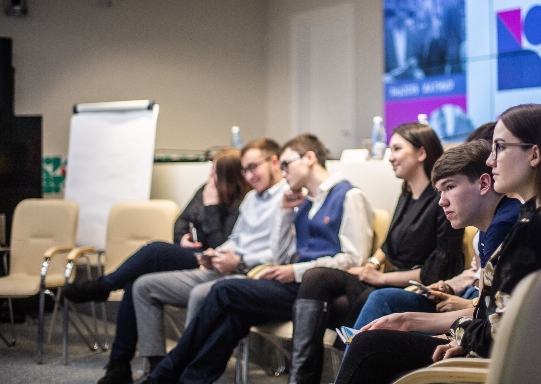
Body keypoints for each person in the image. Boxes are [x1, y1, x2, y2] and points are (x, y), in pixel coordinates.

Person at [334, 104, 541, 384]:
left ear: (534, 154)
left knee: (370, 346)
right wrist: (421, 324)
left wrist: (459, 335)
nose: (491, 160)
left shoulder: (532, 230)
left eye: (500, 147)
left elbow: (498, 333)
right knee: (380, 342)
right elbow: (501, 320)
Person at [141, 133, 374, 384]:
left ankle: (164, 374)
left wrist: (295, 270)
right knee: (235, 316)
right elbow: (280, 256)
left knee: (223, 290)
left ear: (309, 158)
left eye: (286, 164)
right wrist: (284, 212)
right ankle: (188, 380)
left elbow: (354, 258)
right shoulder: (304, 202)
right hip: (294, 283)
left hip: (318, 290)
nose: (283, 173)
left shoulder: (349, 195)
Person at [287, 123, 463, 384]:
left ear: (421, 153)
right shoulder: (406, 194)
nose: (390, 156)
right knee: (317, 278)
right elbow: (389, 245)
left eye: (397, 149)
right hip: (387, 279)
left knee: (334, 301)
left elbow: (437, 271)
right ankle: (303, 377)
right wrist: (371, 263)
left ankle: (314, 377)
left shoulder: (442, 202)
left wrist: (381, 277)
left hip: (414, 286)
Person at [61, 148, 250, 384]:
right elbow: (181, 222)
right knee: (135, 283)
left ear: (229, 176)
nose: (210, 176)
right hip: (194, 255)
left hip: (216, 264)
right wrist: (182, 239)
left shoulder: (242, 201)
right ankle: (128, 364)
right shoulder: (206, 189)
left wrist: (211, 206)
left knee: (155, 250)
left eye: (215, 172)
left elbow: (221, 245)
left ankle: (105, 286)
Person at [130, 138, 295, 375]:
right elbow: (235, 239)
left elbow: (282, 253)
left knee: (199, 292)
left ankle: (181, 371)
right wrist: (214, 254)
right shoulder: (251, 198)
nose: (249, 176)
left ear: (275, 162)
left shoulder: (289, 198)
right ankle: (157, 367)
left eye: (253, 167)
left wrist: (239, 261)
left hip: (253, 274)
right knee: (144, 286)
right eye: (245, 170)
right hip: (226, 266)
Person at [352, 139, 520, 329]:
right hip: (473, 312)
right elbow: (485, 307)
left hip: (485, 331)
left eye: (449, 187)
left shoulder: (502, 225)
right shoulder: (486, 228)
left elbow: (491, 319)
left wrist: (415, 324)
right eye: (440, 192)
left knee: (376, 323)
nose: (442, 201)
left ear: (483, 183)